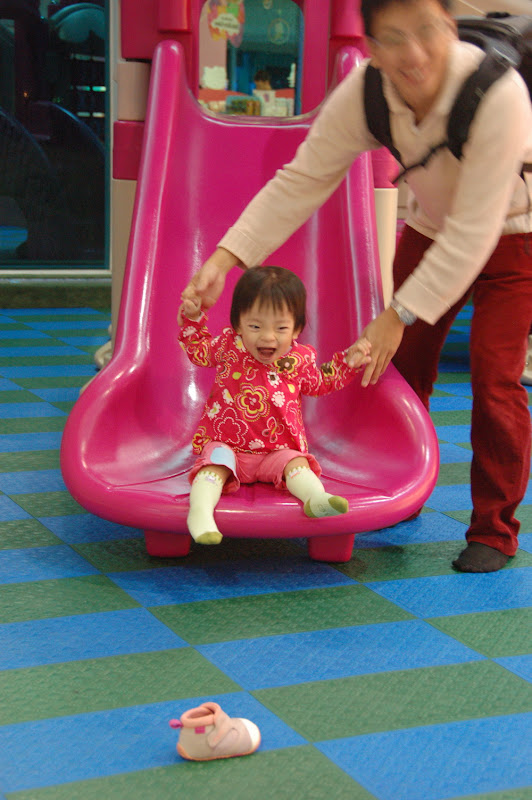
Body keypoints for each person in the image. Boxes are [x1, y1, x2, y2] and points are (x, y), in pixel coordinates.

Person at [182, 0, 532, 571]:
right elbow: (302, 179)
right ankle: (405, 486)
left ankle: (493, 530)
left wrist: (397, 314)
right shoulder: (367, 92)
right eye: (393, 37)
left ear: (449, 26)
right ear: (370, 47)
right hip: (430, 227)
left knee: (495, 379)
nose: (413, 54)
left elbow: (474, 231)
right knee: (400, 368)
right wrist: (226, 256)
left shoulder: (500, 94)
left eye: (426, 31)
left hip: (515, 234)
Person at [178, 266, 371, 544]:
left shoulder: (299, 360)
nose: (268, 337)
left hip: (277, 451)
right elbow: (198, 350)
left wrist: (348, 364)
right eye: (255, 326)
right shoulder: (229, 346)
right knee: (212, 467)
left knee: (298, 464)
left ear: (297, 329)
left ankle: (316, 498)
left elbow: (320, 383)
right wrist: (193, 318)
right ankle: (200, 513)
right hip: (228, 446)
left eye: (281, 328)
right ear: (238, 324)